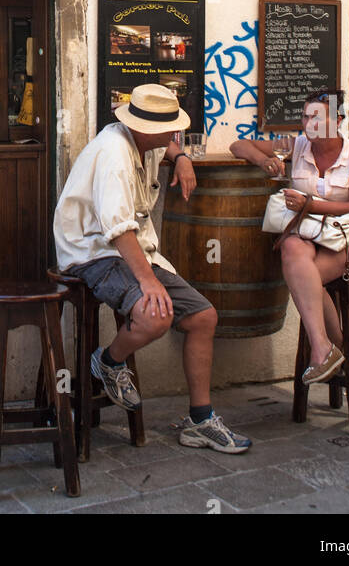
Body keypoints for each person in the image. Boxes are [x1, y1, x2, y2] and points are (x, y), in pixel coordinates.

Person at [53, 83, 252, 453]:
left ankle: (200, 419)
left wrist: (181, 157)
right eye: (170, 127)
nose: (174, 133)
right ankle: (109, 361)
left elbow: (168, 145)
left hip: (136, 250)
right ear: (144, 127)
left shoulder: (147, 140)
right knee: (155, 315)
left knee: (203, 317)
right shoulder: (114, 154)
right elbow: (117, 229)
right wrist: (149, 283)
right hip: (93, 251)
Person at [230, 89, 349, 384]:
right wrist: (264, 161)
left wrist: (311, 205)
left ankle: (334, 349)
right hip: (311, 232)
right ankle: (328, 349)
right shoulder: (296, 145)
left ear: (337, 120)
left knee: (303, 275)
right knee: (291, 248)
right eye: (305, 116)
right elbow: (239, 145)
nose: (308, 123)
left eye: (317, 117)